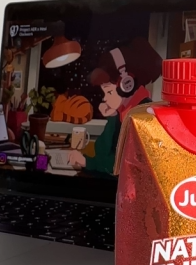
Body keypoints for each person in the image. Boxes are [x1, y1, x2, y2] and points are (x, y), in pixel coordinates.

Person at [67, 36, 162, 175]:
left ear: (126, 85)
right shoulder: (123, 113)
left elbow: (121, 165)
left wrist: (86, 162)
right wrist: (112, 116)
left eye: (109, 91)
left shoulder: (144, 116)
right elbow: (101, 152)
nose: (105, 98)